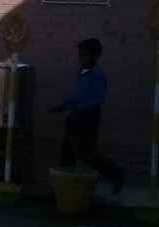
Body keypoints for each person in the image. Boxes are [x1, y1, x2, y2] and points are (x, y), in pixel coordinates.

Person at [49, 38, 125, 193]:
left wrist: (79, 109)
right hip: (75, 117)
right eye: (80, 55)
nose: (80, 58)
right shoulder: (82, 73)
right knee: (68, 153)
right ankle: (63, 189)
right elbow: (75, 95)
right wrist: (62, 106)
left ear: (95, 56)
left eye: (84, 55)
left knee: (86, 154)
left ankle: (116, 173)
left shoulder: (97, 75)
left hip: (88, 118)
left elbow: (97, 99)